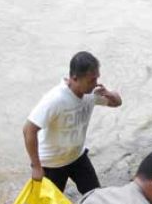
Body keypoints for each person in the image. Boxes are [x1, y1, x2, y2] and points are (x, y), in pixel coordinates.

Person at [23, 51, 122, 193]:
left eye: (96, 78)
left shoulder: (91, 94)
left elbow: (117, 103)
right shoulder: (56, 99)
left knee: (96, 198)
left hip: (77, 157)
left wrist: (109, 93)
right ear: (75, 78)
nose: (95, 84)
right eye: (91, 80)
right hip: (52, 163)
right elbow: (28, 130)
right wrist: (36, 166)